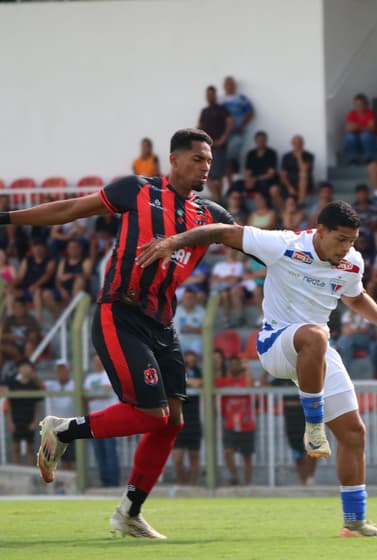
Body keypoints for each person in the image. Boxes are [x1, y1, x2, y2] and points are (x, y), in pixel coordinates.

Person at [134, 200, 377, 537]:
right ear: (320, 232)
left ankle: (355, 521)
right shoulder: (284, 245)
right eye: (340, 239)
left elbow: (355, 296)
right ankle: (313, 424)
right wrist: (173, 242)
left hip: (318, 351)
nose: (346, 247)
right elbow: (221, 232)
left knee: (354, 433)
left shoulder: (352, 261)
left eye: (352, 240)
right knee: (316, 334)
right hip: (277, 344)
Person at [21, 128, 235, 539]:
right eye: (197, 159)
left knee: (171, 421)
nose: (205, 167)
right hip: (120, 312)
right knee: (151, 412)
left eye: (209, 160)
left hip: (163, 324)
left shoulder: (212, 215)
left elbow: (261, 244)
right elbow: (69, 210)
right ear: (173, 160)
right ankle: (63, 430)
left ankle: (129, 514)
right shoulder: (135, 190)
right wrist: (7, 217)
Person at [83, 355, 120, 487]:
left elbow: (107, 391)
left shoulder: (110, 374)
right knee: (99, 452)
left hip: (109, 418)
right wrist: (97, 393)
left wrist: (92, 393)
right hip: (94, 419)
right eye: (95, 361)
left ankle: (113, 482)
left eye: (100, 360)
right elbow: (86, 397)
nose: (97, 363)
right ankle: (105, 481)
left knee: (110, 450)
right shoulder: (89, 378)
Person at [216, 362, 255, 486]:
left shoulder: (246, 381)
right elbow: (213, 383)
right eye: (234, 372)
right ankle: (234, 476)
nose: (236, 375)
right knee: (227, 451)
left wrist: (247, 370)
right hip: (230, 424)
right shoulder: (226, 382)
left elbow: (250, 388)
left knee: (247, 456)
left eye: (239, 372)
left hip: (247, 424)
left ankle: (247, 483)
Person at [197, 85, 233, 200]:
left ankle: (219, 200)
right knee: (206, 175)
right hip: (206, 147)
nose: (209, 97)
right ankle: (216, 198)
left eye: (211, 95)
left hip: (218, 147)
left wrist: (223, 138)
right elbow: (200, 126)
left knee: (218, 176)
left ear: (215, 95)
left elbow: (230, 122)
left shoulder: (221, 109)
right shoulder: (204, 111)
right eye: (207, 95)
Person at [172, 349, 202, 485]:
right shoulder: (175, 370)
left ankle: (192, 485)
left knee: (194, 456)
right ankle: (181, 483)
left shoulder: (199, 371)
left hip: (193, 419)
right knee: (177, 458)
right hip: (178, 418)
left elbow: (200, 383)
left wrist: (186, 381)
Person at [6, 359, 43, 466]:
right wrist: (10, 422)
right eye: (23, 367)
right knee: (15, 447)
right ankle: (16, 470)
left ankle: (30, 470)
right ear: (18, 369)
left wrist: (35, 421)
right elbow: (9, 405)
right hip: (17, 419)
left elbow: (37, 405)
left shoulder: (34, 386)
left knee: (30, 448)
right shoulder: (13, 384)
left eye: (28, 367)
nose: (25, 369)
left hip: (29, 419)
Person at [43, 360, 75, 470]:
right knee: (62, 458)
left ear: (67, 371)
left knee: (73, 458)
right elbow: (38, 383)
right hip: (57, 428)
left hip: (72, 426)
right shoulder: (52, 385)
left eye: (63, 369)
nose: (61, 372)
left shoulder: (74, 384)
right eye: (58, 370)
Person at [220, 75, 255, 176]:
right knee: (224, 157)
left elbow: (250, 112)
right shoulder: (220, 100)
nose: (229, 86)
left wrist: (243, 126)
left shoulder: (241, 98)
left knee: (232, 155)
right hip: (223, 134)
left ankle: (235, 175)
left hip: (236, 132)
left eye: (231, 84)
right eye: (227, 84)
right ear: (224, 86)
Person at [237, 131, 279, 204]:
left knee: (263, 184)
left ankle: (266, 205)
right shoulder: (251, 154)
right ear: (255, 141)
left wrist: (255, 179)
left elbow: (270, 174)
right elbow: (247, 171)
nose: (261, 142)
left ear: (266, 141)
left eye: (263, 140)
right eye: (259, 140)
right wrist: (248, 180)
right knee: (237, 184)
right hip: (253, 179)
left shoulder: (271, 153)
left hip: (267, 180)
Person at [280, 135, 315, 205]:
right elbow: (283, 175)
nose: (297, 145)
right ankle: (284, 211)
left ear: (302, 144)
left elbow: (304, 168)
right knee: (274, 189)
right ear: (292, 144)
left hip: (305, 183)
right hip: (289, 182)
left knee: (303, 174)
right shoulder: (286, 156)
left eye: (299, 143)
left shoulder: (309, 155)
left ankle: (300, 202)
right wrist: (289, 187)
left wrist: (299, 157)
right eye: (295, 143)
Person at [345, 94, 377, 164]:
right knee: (349, 137)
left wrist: (357, 127)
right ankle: (353, 159)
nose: (359, 107)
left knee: (365, 135)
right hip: (357, 139)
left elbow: (372, 128)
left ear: (365, 104)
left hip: (371, 140)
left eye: (361, 104)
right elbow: (348, 129)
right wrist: (364, 127)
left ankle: (369, 158)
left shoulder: (370, 113)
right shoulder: (352, 113)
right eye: (357, 105)